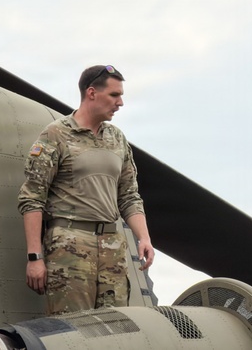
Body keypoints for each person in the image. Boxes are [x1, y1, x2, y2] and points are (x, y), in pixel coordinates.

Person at [17, 64, 155, 315]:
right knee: (73, 327)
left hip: (112, 248)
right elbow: (32, 198)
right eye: (114, 95)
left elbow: (129, 196)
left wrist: (144, 238)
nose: (120, 103)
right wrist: (35, 257)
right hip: (69, 247)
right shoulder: (56, 135)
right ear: (91, 93)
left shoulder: (117, 138)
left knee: (115, 328)